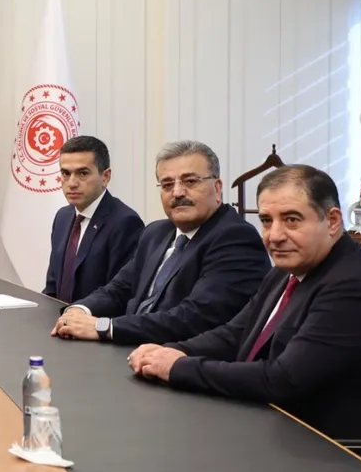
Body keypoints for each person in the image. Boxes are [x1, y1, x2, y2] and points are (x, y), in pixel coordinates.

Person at [129, 165, 361, 439]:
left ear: (333, 221)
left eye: (292, 220)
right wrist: (172, 351)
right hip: (271, 426)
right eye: (266, 220)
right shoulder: (287, 270)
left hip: (330, 451)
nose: (275, 236)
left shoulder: (353, 287)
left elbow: (282, 379)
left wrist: (178, 367)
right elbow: (236, 333)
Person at [52, 140, 269, 345]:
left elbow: (195, 317)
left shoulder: (235, 237)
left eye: (190, 181)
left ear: (218, 188)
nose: (178, 192)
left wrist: (104, 327)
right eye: (167, 184)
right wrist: (80, 310)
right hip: (130, 351)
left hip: (181, 360)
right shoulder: (155, 233)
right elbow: (119, 289)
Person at [42, 136, 145, 303]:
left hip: (94, 318)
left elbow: (120, 294)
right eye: (66, 173)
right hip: (58, 317)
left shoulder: (125, 222)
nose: (72, 183)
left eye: (82, 173)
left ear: (105, 177)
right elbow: (52, 287)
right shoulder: (63, 217)